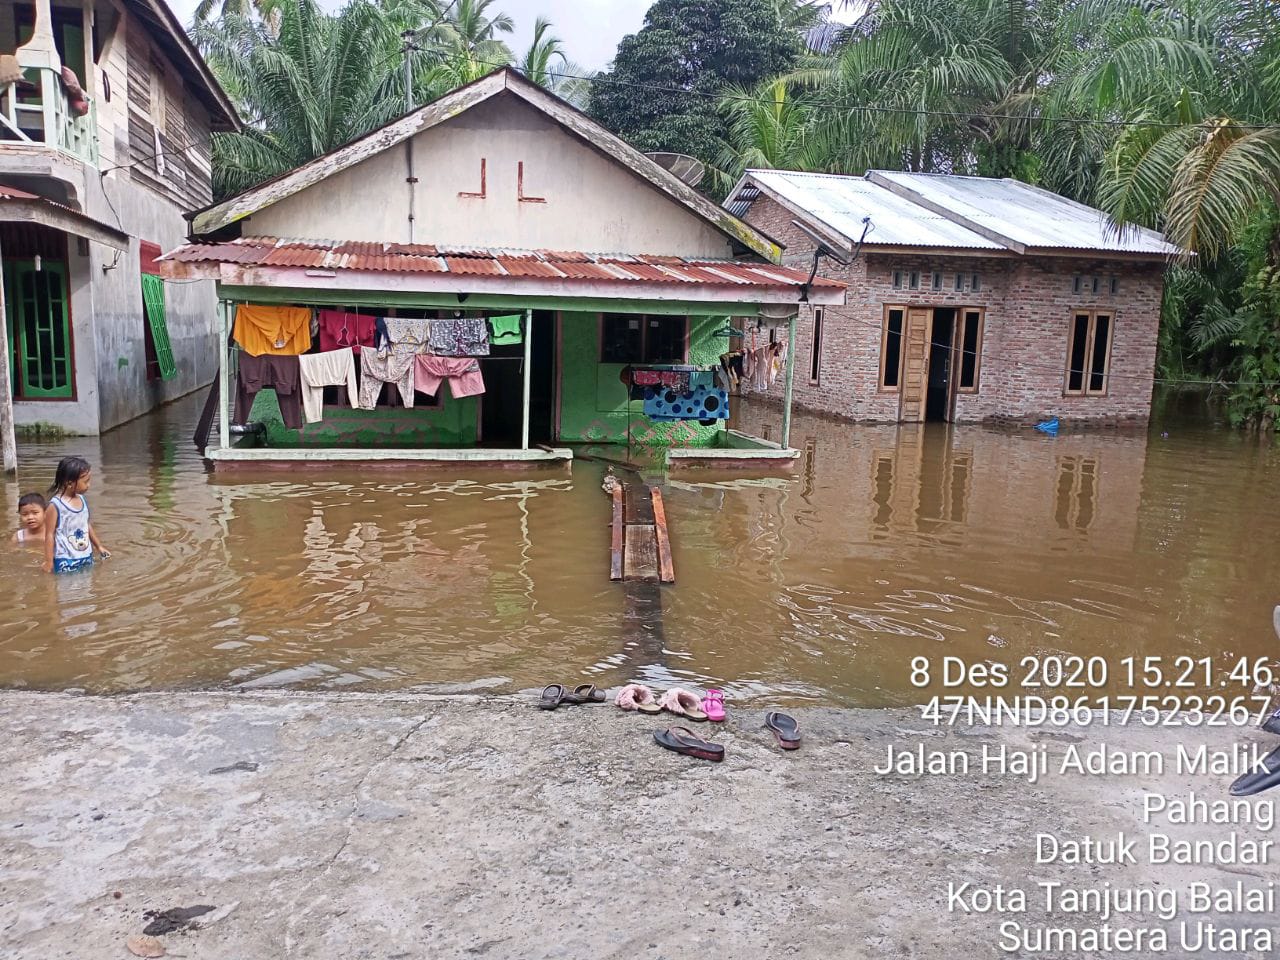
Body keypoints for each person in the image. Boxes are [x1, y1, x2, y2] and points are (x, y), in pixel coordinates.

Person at [43, 457, 110, 573]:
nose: (88, 485)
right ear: (69, 483)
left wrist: (99, 546)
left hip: (86, 555)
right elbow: (49, 534)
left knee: (86, 587)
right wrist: (49, 562)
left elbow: (87, 525)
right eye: (85, 481)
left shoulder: (83, 500)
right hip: (65, 560)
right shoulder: (55, 506)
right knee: (66, 588)